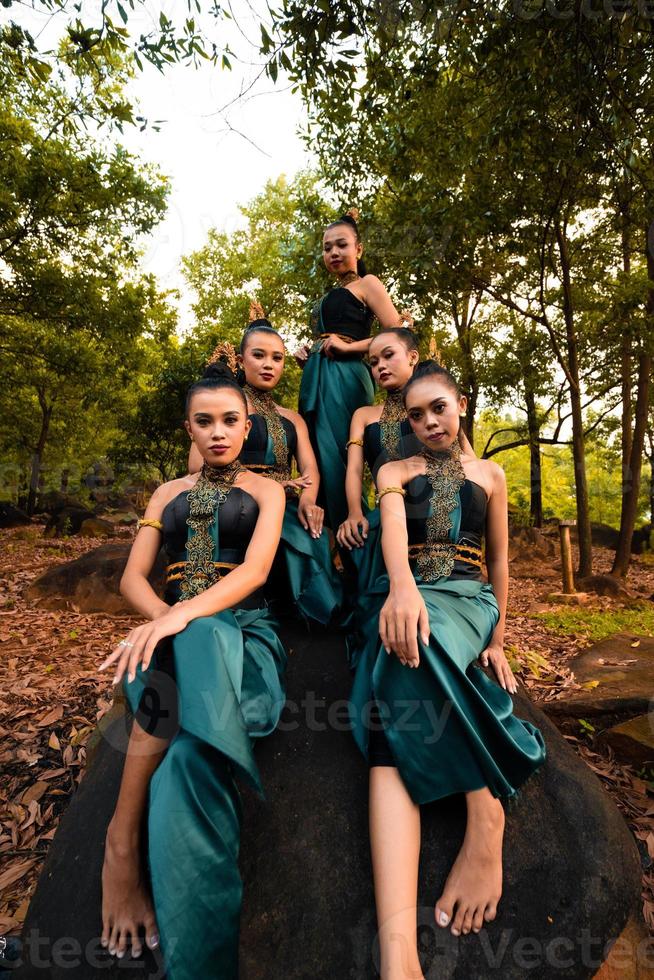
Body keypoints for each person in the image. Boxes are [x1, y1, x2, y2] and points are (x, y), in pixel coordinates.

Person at [347, 360, 546, 980]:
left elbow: (500, 563)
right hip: (408, 595)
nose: (429, 421)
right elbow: (394, 542)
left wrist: (501, 637)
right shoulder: (394, 470)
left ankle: (487, 814)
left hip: (467, 600)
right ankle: (399, 957)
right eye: (416, 413)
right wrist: (401, 591)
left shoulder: (491, 473)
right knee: (395, 673)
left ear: (461, 406)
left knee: (409, 653)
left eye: (440, 407)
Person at [99, 366, 287, 980]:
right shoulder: (166, 493)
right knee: (182, 763)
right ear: (189, 428)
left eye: (230, 420)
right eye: (204, 421)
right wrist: (161, 619)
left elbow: (256, 572)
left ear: (248, 424)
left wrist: (179, 619)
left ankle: (119, 848)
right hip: (178, 640)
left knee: (195, 637)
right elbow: (132, 577)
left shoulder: (267, 491)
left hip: (245, 636)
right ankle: (122, 855)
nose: (218, 432)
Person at [190, 307, 342, 625]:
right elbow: (195, 466)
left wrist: (310, 502)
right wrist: (266, 486)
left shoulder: (293, 419)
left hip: (286, 505)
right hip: (232, 496)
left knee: (311, 535)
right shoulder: (221, 407)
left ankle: (312, 615)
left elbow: (310, 471)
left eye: (277, 358)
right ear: (242, 361)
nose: (268, 365)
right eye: (259, 355)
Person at [295, 209, 406, 533]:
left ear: (358, 249)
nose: (333, 253)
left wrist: (348, 348)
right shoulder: (325, 297)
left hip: (348, 377)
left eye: (341, 245)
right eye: (327, 247)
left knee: (342, 454)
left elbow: (397, 333)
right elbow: (327, 337)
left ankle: (354, 530)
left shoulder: (368, 284)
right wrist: (309, 351)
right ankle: (326, 534)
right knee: (317, 452)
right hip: (317, 376)